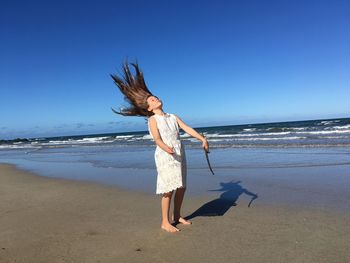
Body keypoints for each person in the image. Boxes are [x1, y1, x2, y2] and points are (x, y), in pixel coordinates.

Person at [111, 62, 209, 233]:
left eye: (155, 96)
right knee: (168, 189)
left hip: (179, 152)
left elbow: (186, 128)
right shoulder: (153, 120)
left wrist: (202, 138)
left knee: (181, 186)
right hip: (165, 154)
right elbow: (156, 139)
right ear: (149, 108)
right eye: (152, 99)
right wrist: (166, 148)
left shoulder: (173, 116)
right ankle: (165, 221)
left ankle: (177, 216)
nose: (155, 98)